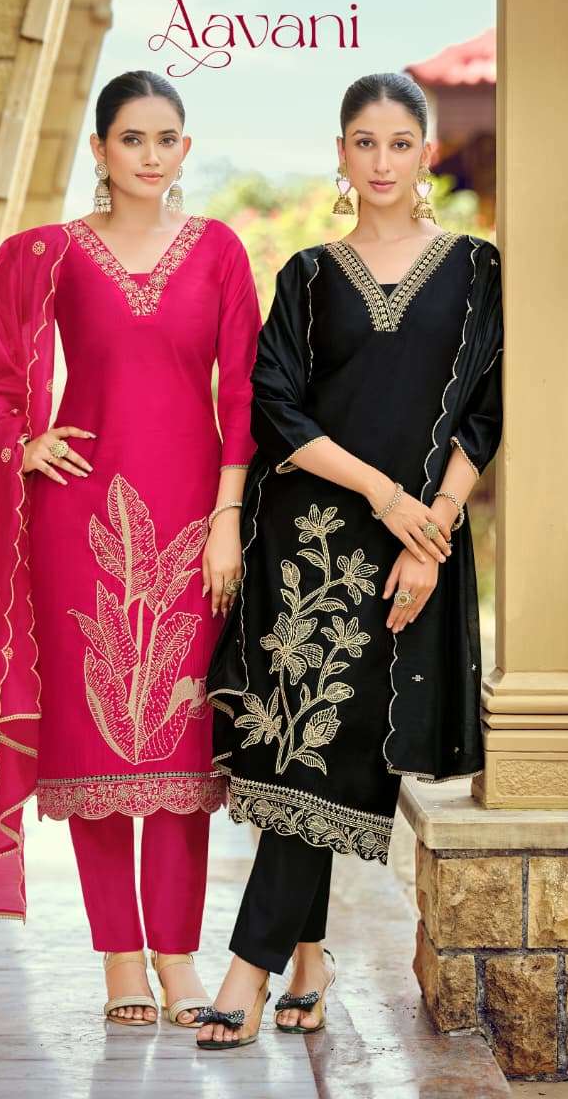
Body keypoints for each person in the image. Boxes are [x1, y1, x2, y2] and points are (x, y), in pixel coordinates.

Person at [0, 70, 261, 1027]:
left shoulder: (218, 251)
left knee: (180, 742)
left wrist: (228, 518)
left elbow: (242, 395)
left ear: (185, 148)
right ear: (100, 149)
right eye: (132, 138)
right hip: (78, 517)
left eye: (166, 138)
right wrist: (19, 443)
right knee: (93, 747)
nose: (150, 155)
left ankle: (178, 958)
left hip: (193, 523)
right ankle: (121, 962)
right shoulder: (52, 254)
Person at [194, 72, 504, 1049]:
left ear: (425, 154)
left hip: (413, 549)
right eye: (363, 143)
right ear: (340, 153)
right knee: (306, 744)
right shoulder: (309, 275)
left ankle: (248, 966)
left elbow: (485, 410)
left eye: (399, 143)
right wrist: (384, 496)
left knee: (330, 738)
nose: (381, 161)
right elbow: (276, 407)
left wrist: (429, 532)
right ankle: (300, 960)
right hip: (309, 541)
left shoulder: (476, 269)